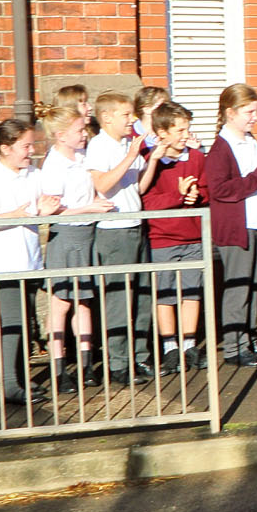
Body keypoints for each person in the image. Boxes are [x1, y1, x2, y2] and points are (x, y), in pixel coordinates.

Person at [0, 118, 60, 408]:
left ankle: (20, 377)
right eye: (25, 146)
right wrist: (17, 215)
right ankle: (9, 385)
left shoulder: (31, 173)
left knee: (25, 323)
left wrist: (44, 210)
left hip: (29, 259)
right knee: (12, 324)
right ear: (5, 149)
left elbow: (41, 206)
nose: (31, 151)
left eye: (31, 144)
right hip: (3, 263)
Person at [205, 84, 257, 367]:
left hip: (256, 223)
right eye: (249, 112)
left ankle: (249, 338)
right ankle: (234, 347)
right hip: (237, 228)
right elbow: (222, 190)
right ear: (230, 113)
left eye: (255, 112)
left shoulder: (249, 141)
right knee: (239, 287)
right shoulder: (221, 148)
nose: (254, 117)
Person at [38, 107, 110, 390]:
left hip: (87, 233)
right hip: (67, 235)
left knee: (83, 301)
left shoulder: (82, 157)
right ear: (60, 135)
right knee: (61, 303)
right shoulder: (54, 164)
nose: (84, 134)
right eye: (79, 130)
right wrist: (89, 207)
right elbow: (54, 211)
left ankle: (85, 364)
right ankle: (58, 369)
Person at [136, 101, 207, 371]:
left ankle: (189, 345)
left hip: (193, 236)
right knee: (165, 294)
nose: (185, 135)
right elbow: (147, 201)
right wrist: (178, 196)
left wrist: (195, 195)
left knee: (192, 292)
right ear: (162, 132)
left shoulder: (197, 158)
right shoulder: (151, 161)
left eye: (187, 129)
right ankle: (170, 347)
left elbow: (207, 190)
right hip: (163, 237)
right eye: (179, 130)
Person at [86, 92, 152, 384]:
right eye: (126, 115)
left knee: (142, 296)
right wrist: (130, 157)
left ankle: (139, 356)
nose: (132, 120)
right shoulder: (100, 146)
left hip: (135, 222)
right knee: (119, 299)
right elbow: (103, 184)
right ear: (107, 116)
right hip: (114, 231)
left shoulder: (128, 144)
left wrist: (153, 158)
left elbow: (137, 187)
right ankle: (118, 363)